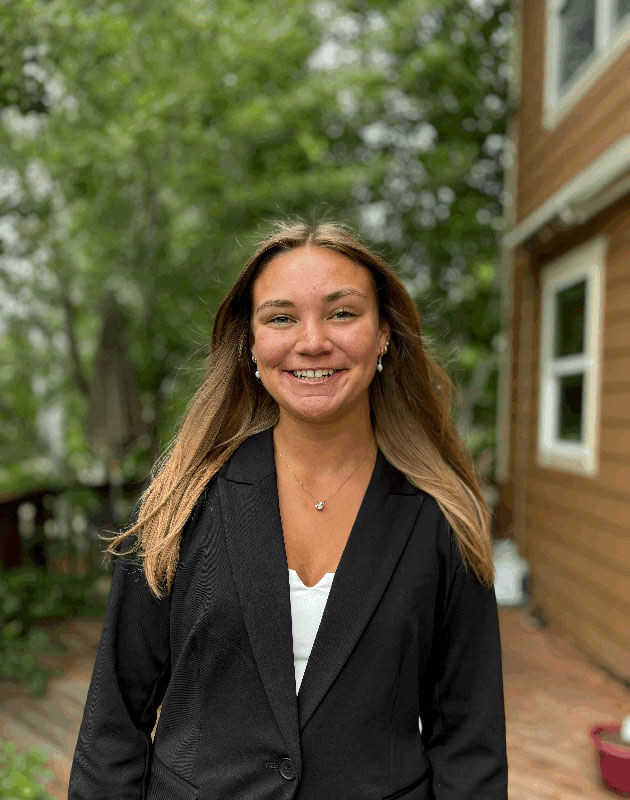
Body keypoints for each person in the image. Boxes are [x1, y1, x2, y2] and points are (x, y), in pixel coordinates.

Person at [68, 218, 508, 800]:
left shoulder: (441, 520)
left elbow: (469, 748)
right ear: (251, 345)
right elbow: (112, 725)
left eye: (342, 313)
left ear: (384, 335)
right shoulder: (181, 502)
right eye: (280, 317)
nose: (312, 341)